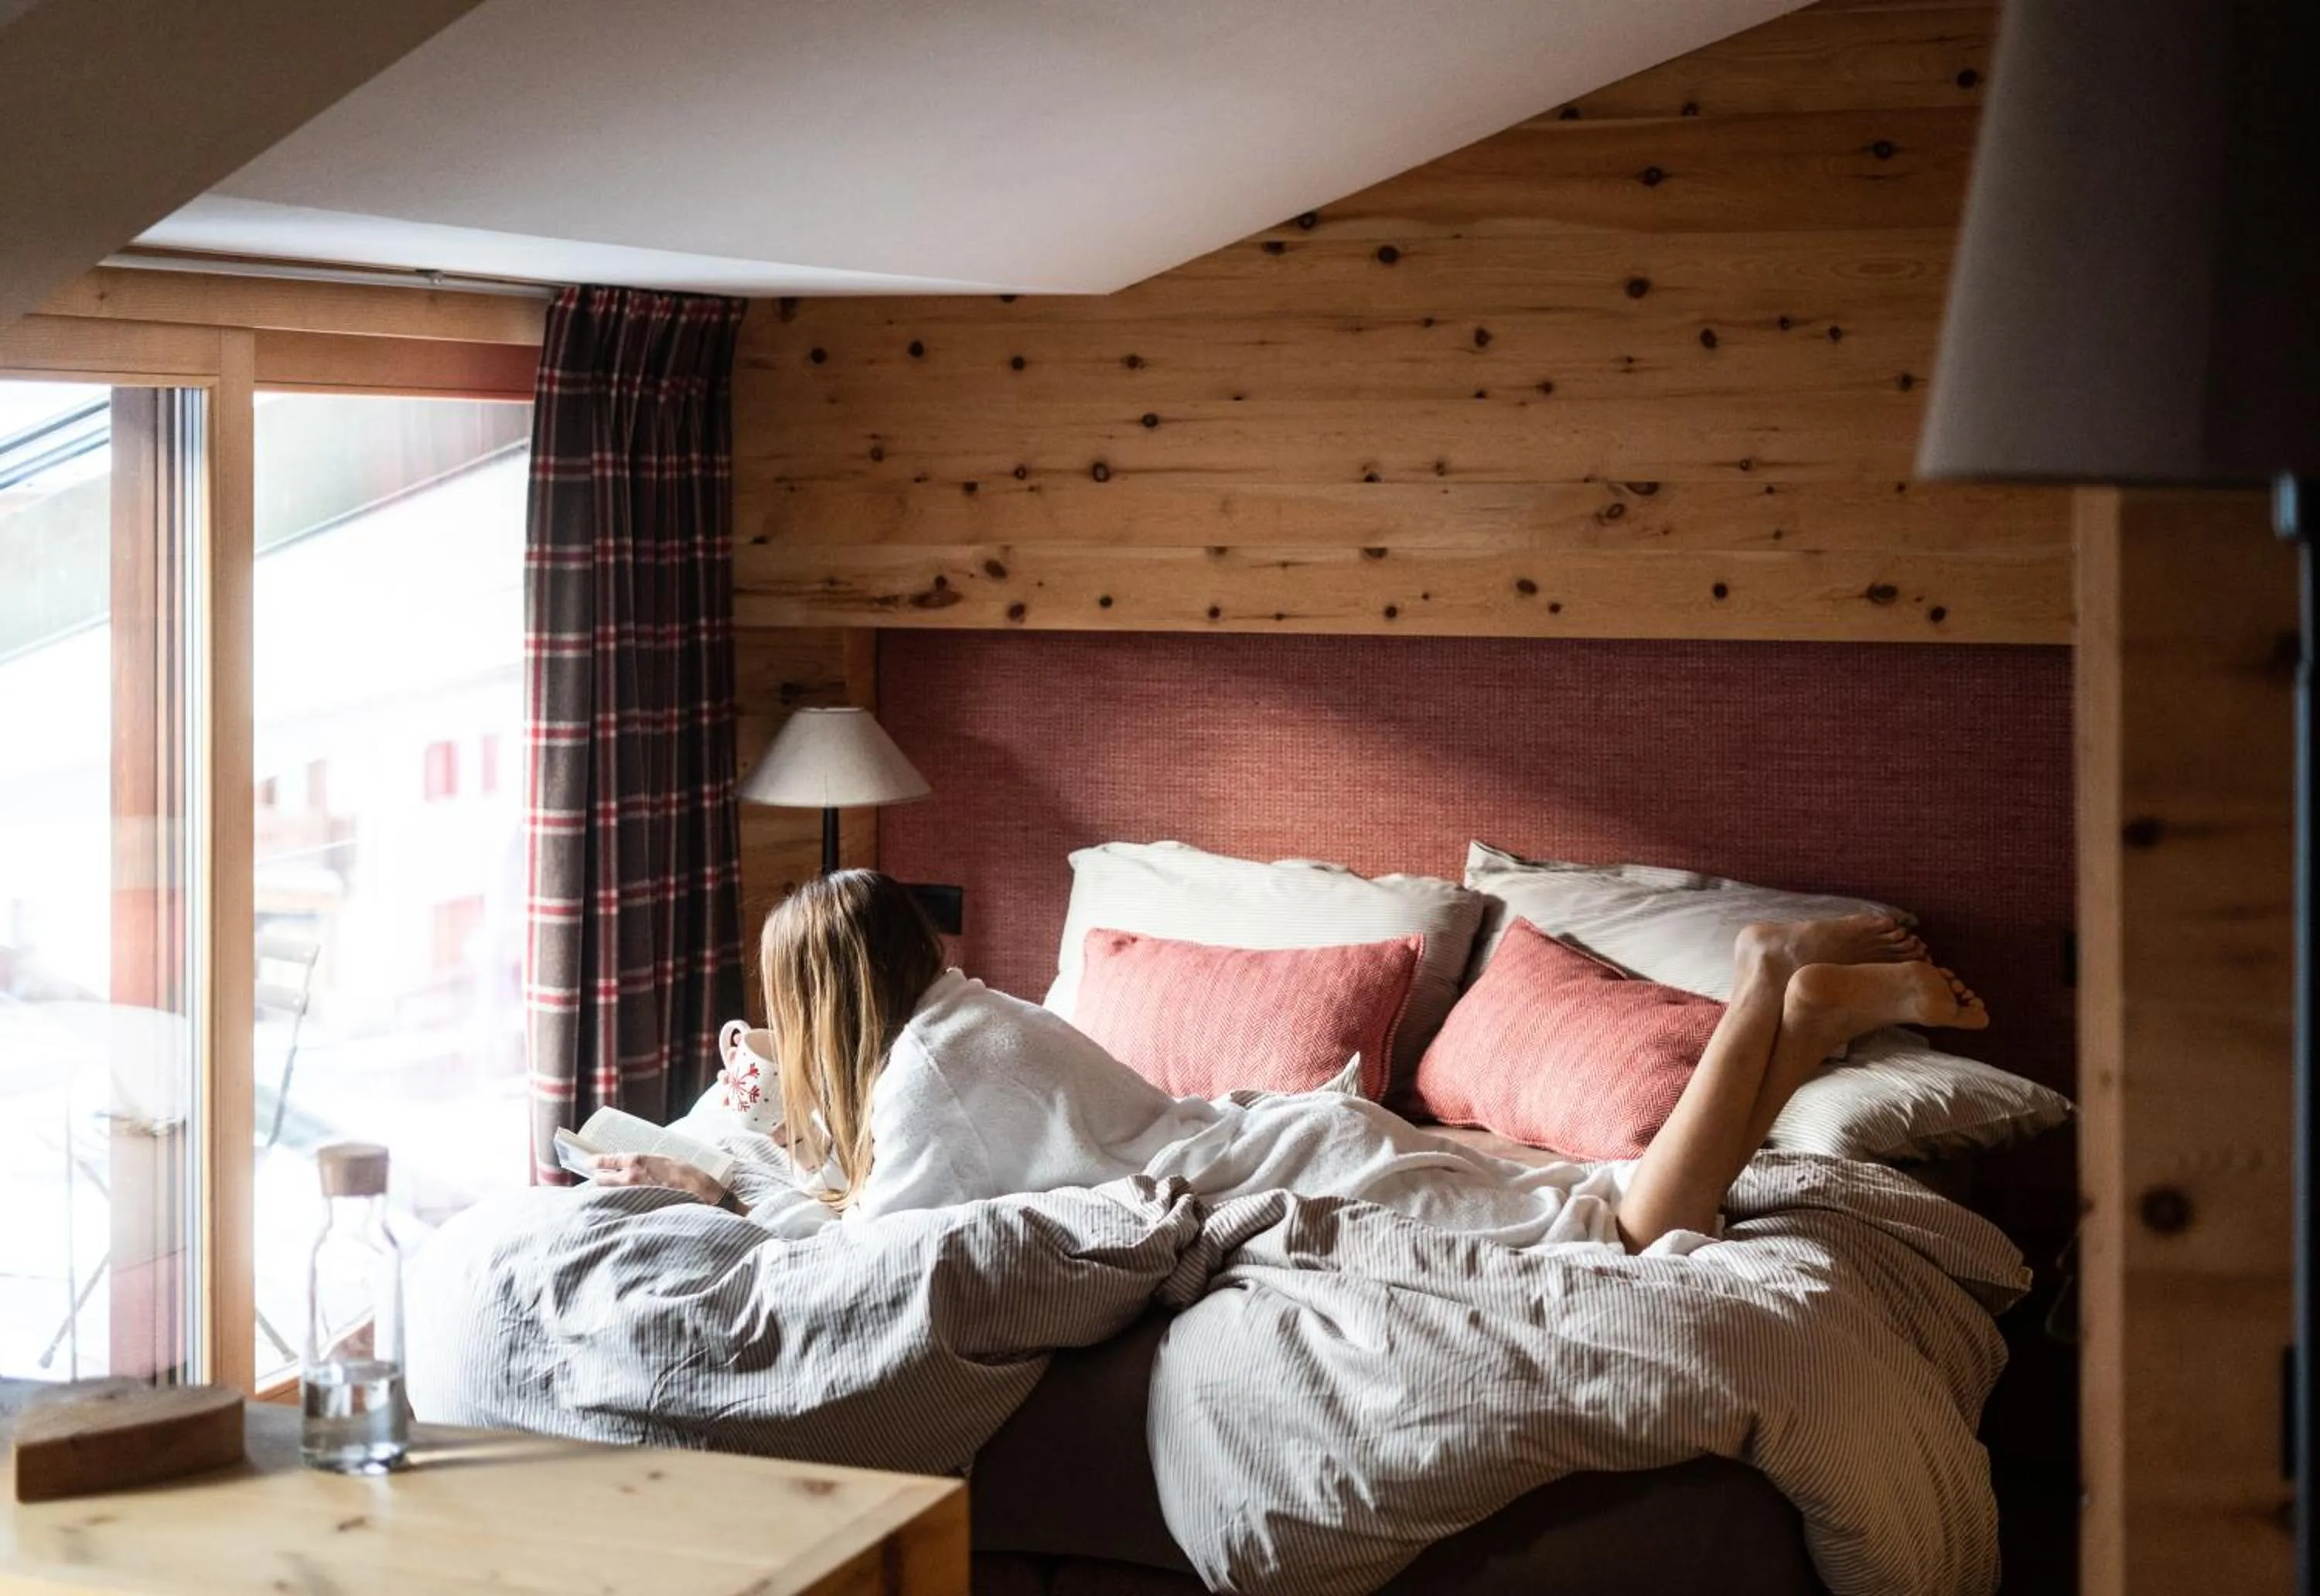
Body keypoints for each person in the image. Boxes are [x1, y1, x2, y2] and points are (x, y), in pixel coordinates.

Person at [592, 869, 1987, 1253]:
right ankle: (1804, 1025)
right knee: (1633, 1210)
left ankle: (1761, 982)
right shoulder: (962, 1018)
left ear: (824, 1000)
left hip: (1301, 1183)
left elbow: (868, 1263)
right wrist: (782, 1123)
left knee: (1629, 1224)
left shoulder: (934, 1076)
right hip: (1288, 1141)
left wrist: (729, 1197)